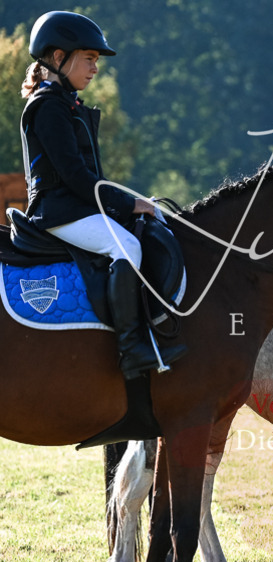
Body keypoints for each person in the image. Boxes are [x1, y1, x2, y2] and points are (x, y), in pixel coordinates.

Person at [20, 11, 185, 380]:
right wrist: (126, 203)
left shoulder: (67, 104)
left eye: (96, 61)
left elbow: (90, 177)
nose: (96, 68)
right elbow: (77, 177)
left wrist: (133, 203)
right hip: (58, 211)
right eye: (90, 59)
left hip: (76, 207)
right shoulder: (47, 107)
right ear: (59, 58)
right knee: (126, 247)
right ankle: (130, 348)